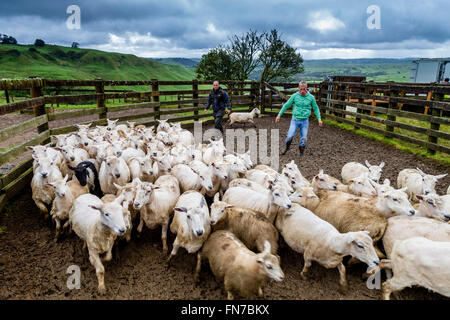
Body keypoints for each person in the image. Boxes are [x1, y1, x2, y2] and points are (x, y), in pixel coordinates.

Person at [275, 81, 322, 157]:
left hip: (305, 120)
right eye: (301, 89)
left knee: (304, 138)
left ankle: (301, 152)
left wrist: (319, 118)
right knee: (290, 136)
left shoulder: (311, 98)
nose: (302, 91)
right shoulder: (294, 96)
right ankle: (287, 148)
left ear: (307, 88)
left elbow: (316, 108)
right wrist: (279, 115)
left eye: (304, 89)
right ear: (298, 88)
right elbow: (286, 105)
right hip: (295, 119)